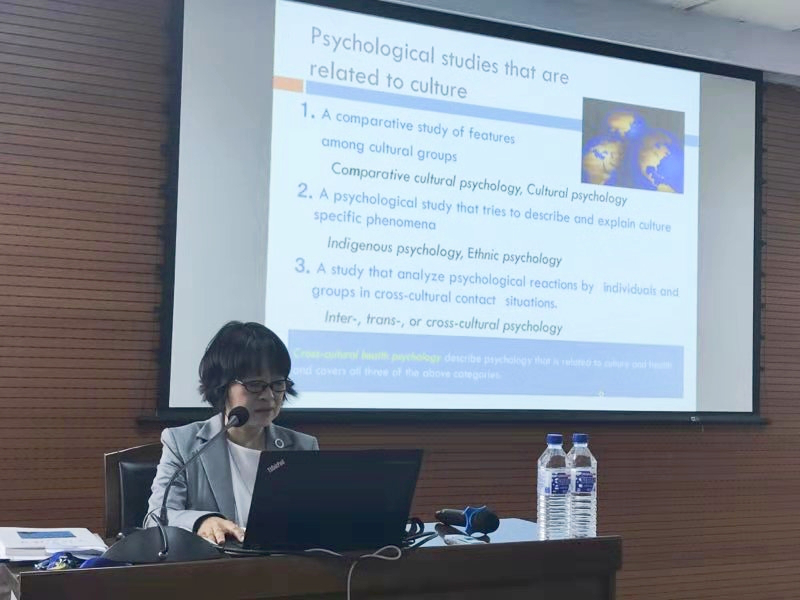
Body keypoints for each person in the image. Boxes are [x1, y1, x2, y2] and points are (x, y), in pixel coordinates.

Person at [146, 321, 318, 544]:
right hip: (214, 563)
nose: (269, 396)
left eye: (277, 383)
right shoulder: (182, 443)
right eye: (255, 384)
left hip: (281, 562)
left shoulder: (303, 447)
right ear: (222, 386)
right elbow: (156, 518)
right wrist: (201, 521)